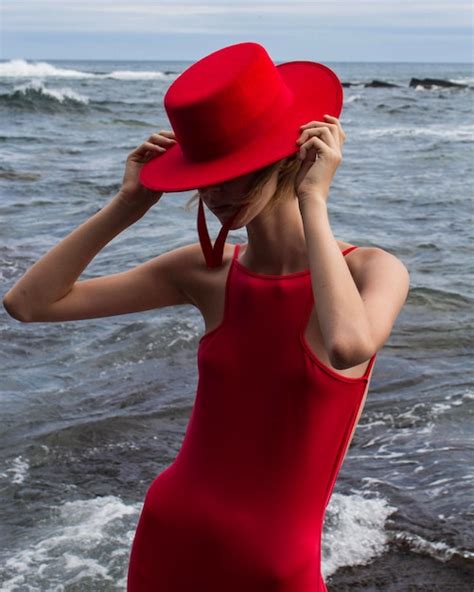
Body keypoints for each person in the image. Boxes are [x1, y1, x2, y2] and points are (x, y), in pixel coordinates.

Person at [3, 42, 410, 591]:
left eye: (234, 171)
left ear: (287, 158)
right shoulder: (207, 272)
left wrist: (315, 199)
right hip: (171, 537)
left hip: (275, 564)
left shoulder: (373, 271)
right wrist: (127, 204)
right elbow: (28, 304)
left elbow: (347, 344)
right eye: (203, 173)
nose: (213, 192)